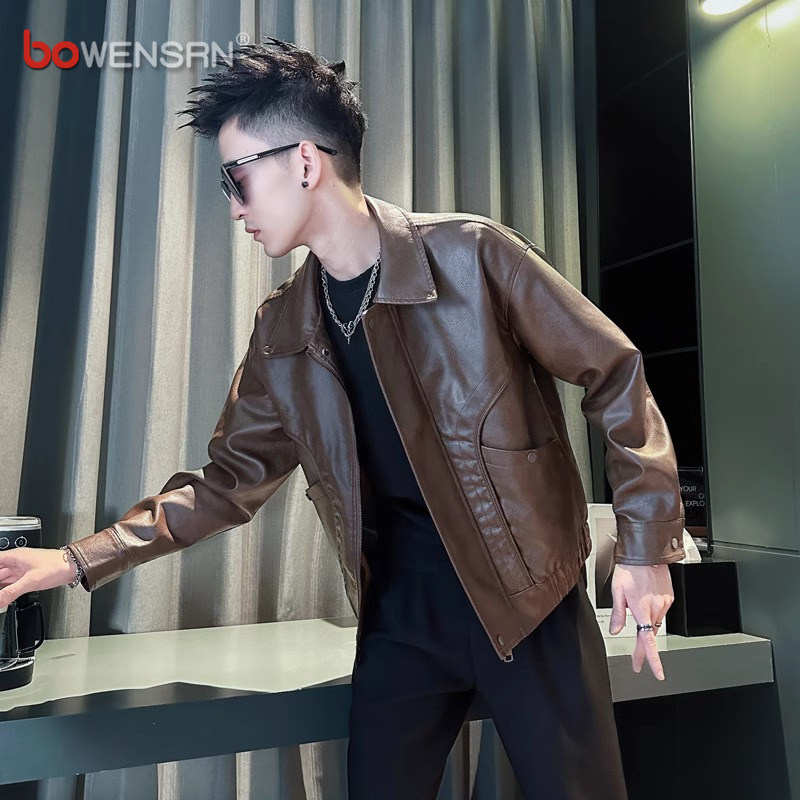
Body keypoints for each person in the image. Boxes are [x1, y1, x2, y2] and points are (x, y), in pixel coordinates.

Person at [0, 37, 686, 799]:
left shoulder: (472, 254)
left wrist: (646, 547)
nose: (235, 208)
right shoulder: (283, 325)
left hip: (532, 602)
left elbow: (613, 371)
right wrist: (73, 561)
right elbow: (227, 482)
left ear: (304, 162)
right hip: (401, 618)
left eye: (237, 180)